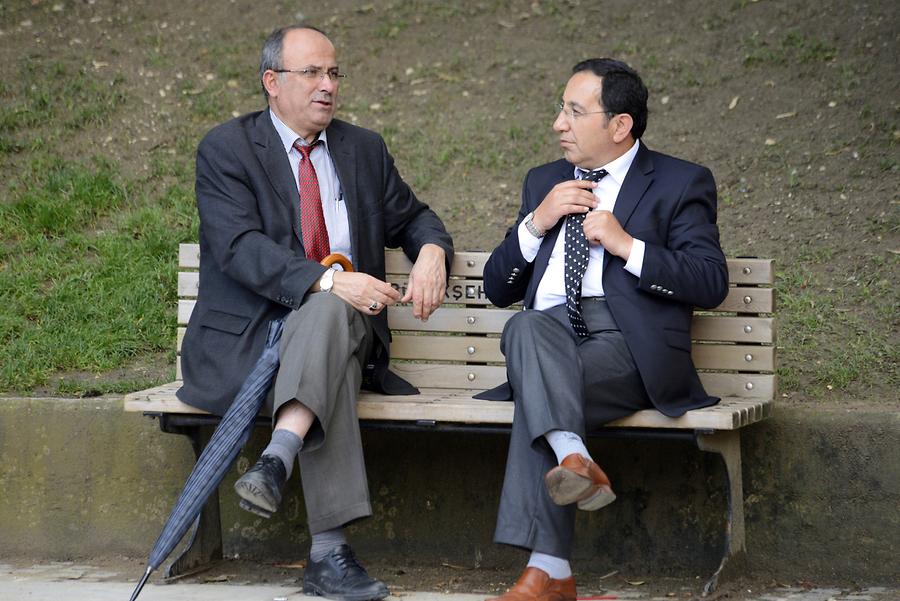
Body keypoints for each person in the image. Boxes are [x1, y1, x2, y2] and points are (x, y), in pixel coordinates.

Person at [176, 24, 453, 601]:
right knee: (331, 325)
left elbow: (414, 215)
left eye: (334, 73)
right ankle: (330, 554)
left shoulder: (363, 149)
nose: (327, 86)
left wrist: (430, 251)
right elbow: (238, 247)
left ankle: (276, 458)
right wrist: (331, 281)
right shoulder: (227, 149)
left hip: (339, 334)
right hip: (249, 343)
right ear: (271, 82)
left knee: (330, 322)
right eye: (312, 73)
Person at [479, 58, 729, 601]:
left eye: (574, 111)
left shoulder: (679, 182)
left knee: (537, 394)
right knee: (525, 328)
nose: (558, 124)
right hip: (545, 337)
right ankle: (571, 461)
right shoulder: (544, 182)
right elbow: (497, 287)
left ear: (620, 126)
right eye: (560, 110)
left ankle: (550, 572)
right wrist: (536, 222)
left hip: (627, 348)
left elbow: (711, 281)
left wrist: (626, 246)